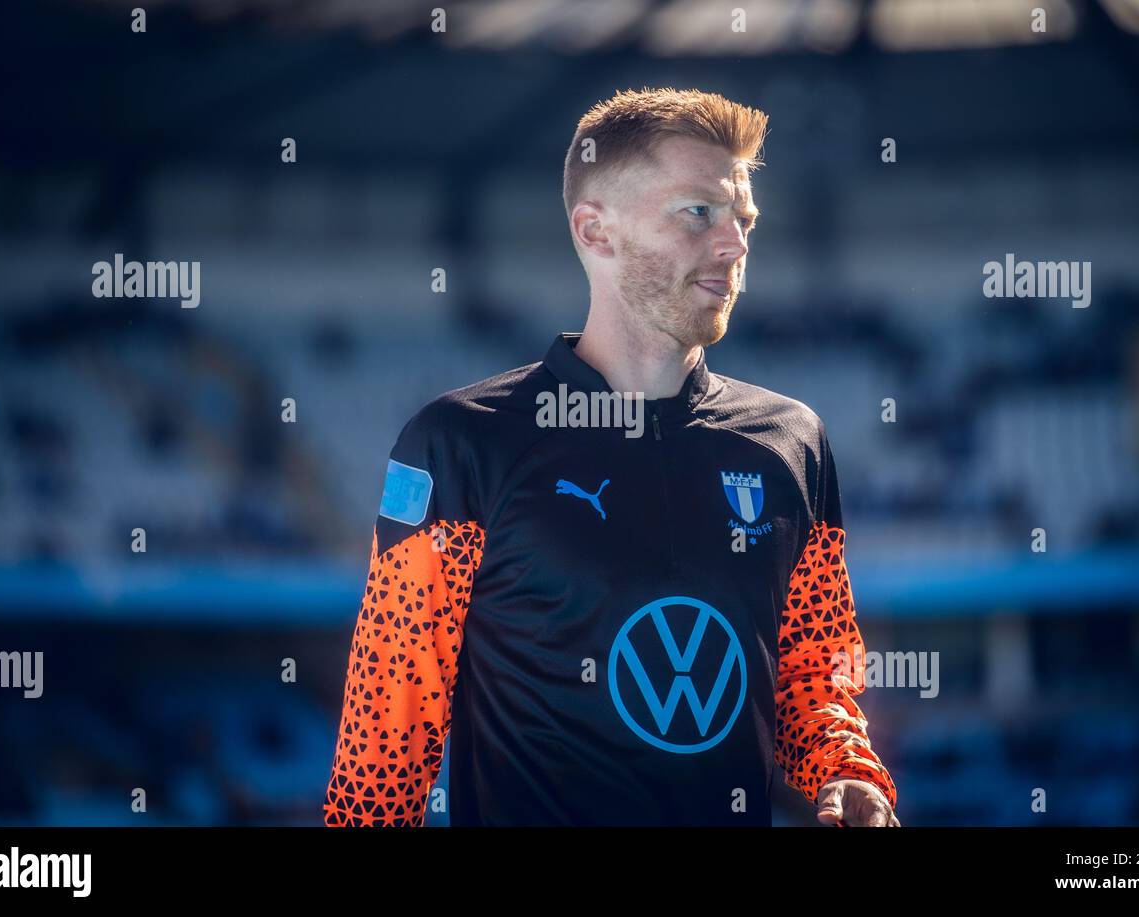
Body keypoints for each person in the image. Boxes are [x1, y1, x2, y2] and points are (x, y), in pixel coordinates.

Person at [324, 87, 899, 827]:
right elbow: (384, 743)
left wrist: (845, 771)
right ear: (596, 231)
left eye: (743, 219)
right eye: (699, 212)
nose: (734, 245)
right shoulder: (460, 445)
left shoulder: (792, 442)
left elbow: (812, 672)